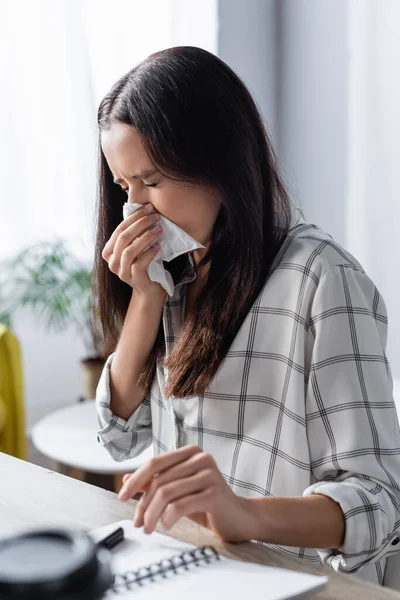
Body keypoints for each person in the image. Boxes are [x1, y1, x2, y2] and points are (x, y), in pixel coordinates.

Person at [94, 46, 400, 585]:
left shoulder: (322, 279)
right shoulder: (175, 274)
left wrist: (240, 513)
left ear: (220, 164)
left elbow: (378, 500)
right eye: (125, 186)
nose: (136, 208)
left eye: (154, 180)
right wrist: (145, 300)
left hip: (290, 580)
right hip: (192, 569)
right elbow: (119, 436)